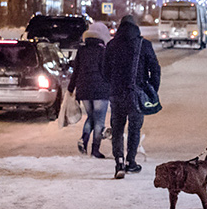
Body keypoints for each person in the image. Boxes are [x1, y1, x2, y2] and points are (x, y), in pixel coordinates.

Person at [103, 14, 161, 179]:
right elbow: (155, 70)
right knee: (134, 128)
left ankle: (119, 162)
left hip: (116, 94)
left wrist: (113, 83)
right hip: (137, 94)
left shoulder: (112, 45)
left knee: (118, 129)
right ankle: (131, 162)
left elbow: (104, 71)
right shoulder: (144, 44)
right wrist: (151, 90)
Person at [68, 21, 110, 158]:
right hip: (100, 90)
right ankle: (95, 150)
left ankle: (84, 139)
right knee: (99, 120)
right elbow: (107, 72)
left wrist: (70, 88)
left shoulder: (82, 51)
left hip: (84, 89)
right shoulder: (103, 51)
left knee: (91, 116)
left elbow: (76, 71)